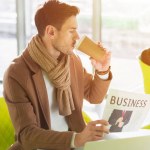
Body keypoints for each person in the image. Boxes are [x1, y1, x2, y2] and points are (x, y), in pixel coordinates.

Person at [3, 0, 112, 150]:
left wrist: (102, 70)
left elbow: (94, 96)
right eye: (71, 31)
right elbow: (27, 135)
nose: (77, 37)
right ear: (51, 32)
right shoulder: (17, 73)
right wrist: (77, 139)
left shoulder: (72, 60)